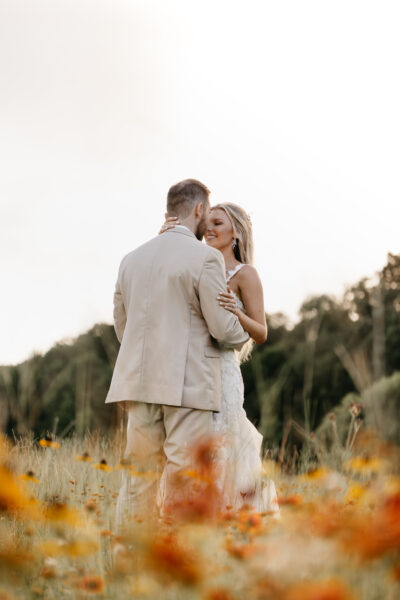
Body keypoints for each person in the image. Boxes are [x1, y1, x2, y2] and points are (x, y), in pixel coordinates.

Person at [105, 180, 249, 525]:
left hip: (138, 384)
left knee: (139, 477)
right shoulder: (206, 257)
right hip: (187, 386)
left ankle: (131, 552)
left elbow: (121, 326)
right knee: (186, 478)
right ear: (199, 209)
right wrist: (245, 326)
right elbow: (222, 328)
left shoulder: (131, 259)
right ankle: (180, 561)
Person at [159, 203, 279, 515]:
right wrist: (165, 241)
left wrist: (236, 311)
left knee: (225, 440)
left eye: (218, 222)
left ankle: (231, 519)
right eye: (207, 222)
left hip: (223, 372)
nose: (209, 228)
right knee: (190, 443)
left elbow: (262, 332)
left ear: (235, 233)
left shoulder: (246, 274)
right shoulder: (197, 265)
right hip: (192, 369)